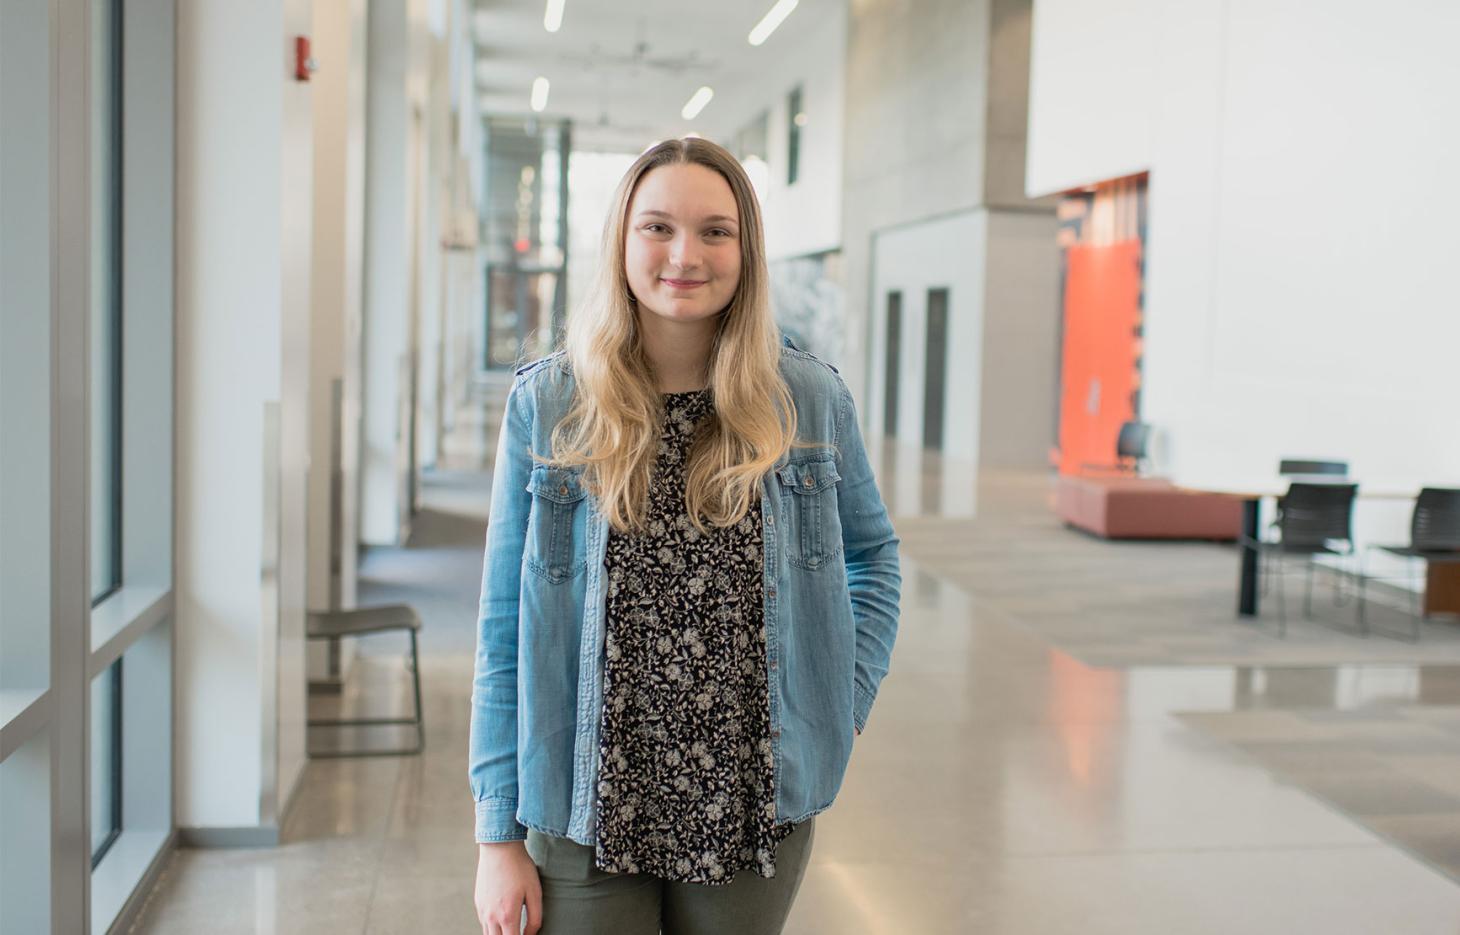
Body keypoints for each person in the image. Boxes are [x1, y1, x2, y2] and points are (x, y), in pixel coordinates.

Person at [469, 137, 901, 935]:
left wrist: (837, 701)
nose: (684, 255)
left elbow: (874, 558)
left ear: (746, 250)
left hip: (747, 802)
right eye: (658, 227)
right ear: (623, 241)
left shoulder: (804, 398)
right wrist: (497, 831)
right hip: (582, 800)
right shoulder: (551, 403)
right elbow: (504, 625)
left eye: (715, 231)